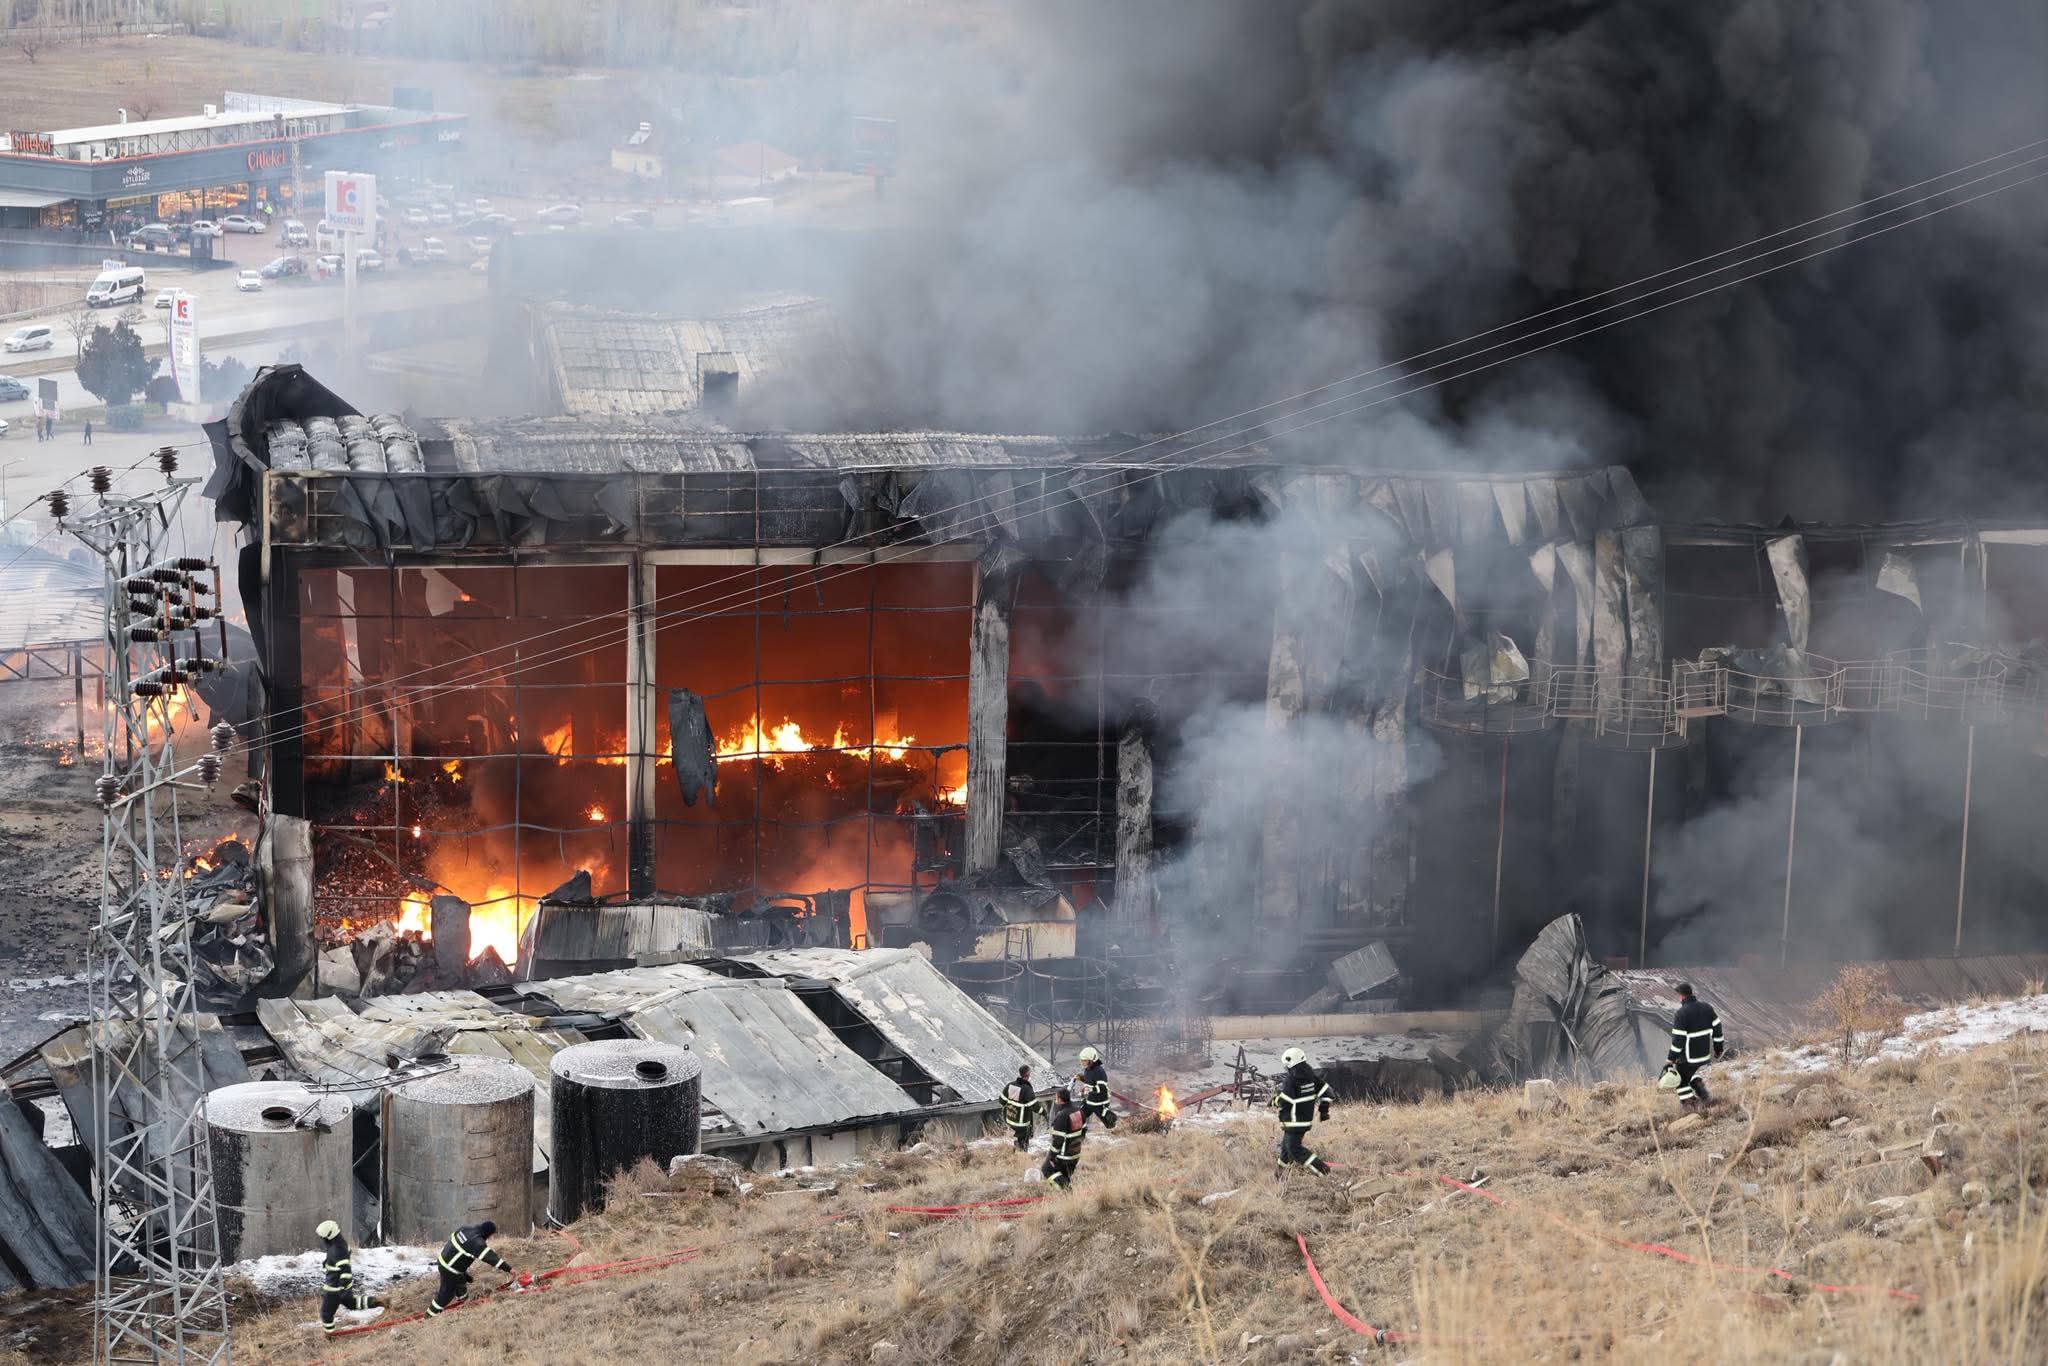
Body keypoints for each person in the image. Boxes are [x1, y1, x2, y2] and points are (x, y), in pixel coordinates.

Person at [426, 1219, 516, 1317]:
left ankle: (462, 1301)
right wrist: (509, 1269)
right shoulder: (477, 1243)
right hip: (449, 1269)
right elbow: (492, 1258)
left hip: (445, 1260)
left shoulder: (465, 1228)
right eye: (491, 1235)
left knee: (462, 1280)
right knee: (446, 1295)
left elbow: (455, 1245)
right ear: (488, 1233)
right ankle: (429, 1315)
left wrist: (463, 1272)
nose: (491, 1237)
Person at [1270, 1047, 1334, 1176]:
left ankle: (1323, 1170)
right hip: (1304, 1121)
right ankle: (1280, 1176)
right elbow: (1327, 1092)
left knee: (1294, 1149)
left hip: (1293, 1121)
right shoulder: (1311, 1077)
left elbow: (1285, 1100)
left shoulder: (1291, 1079)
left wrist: (1274, 1101)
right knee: (1285, 1149)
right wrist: (1324, 1110)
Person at [1664, 981, 1726, 1111]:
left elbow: (1678, 1041)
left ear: (1681, 996)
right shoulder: (1707, 1008)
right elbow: (1717, 1028)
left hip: (1688, 1056)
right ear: (1692, 993)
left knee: (1680, 1080)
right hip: (1704, 1055)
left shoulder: (1681, 1014)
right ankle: (1701, 1089)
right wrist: (1718, 1047)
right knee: (1689, 1073)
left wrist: (1670, 1059)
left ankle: (1690, 1105)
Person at [316, 1218, 384, 1335]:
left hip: (335, 1288)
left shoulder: (337, 1249)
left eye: (323, 1237)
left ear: (329, 1236)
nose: (322, 1239)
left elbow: (345, 1268)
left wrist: (343, 1286)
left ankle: (330, 1336)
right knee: (351, 1303)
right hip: (339, 1287)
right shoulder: (338, 1244)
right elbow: (339, 1263)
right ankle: (378, 1301)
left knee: (326, 1314)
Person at [1041, 1087, 1084, 1190]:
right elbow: (1084, 1130)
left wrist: (1052, 1156)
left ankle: (1067, 1192)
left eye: (1056, 1098)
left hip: (1064, 1156)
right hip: (1075, 1153)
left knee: (1046, 1169)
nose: (1055, 1101)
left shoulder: (1062, 1116)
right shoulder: (1078, 1111)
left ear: (1060, 1099)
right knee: (1064, 1176)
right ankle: (1067, 1199)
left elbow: (1058, 1140)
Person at [1073, 1045, 1117, 1130]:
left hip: (1099, 1103)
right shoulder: (1087, 1069)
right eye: (1081, 1060)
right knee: (1079, 1117)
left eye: (1084, 1060)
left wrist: (1090, 1089)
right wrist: (1082, 1078)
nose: (1082, 1062)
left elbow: (1102, 1089)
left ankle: (1116, 1131)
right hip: (1090, 1101)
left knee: (1109, 1123)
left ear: (1091, 1060)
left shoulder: (1099, 1072)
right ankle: (1076, 1133)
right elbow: (1090, 1081)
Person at [1000, 1064, 1042, 1151]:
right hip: (1022, 1121)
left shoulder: (1011, 1085)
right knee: (1022, 1139)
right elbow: (1035, 1106)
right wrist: (1043, 1112)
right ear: (1028, 1074)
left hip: (1011, 1118)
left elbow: (1002, 1100)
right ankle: (1021, 1155)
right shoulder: (1027, 1089)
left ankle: (1017, 1153)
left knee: (1018, 1136)